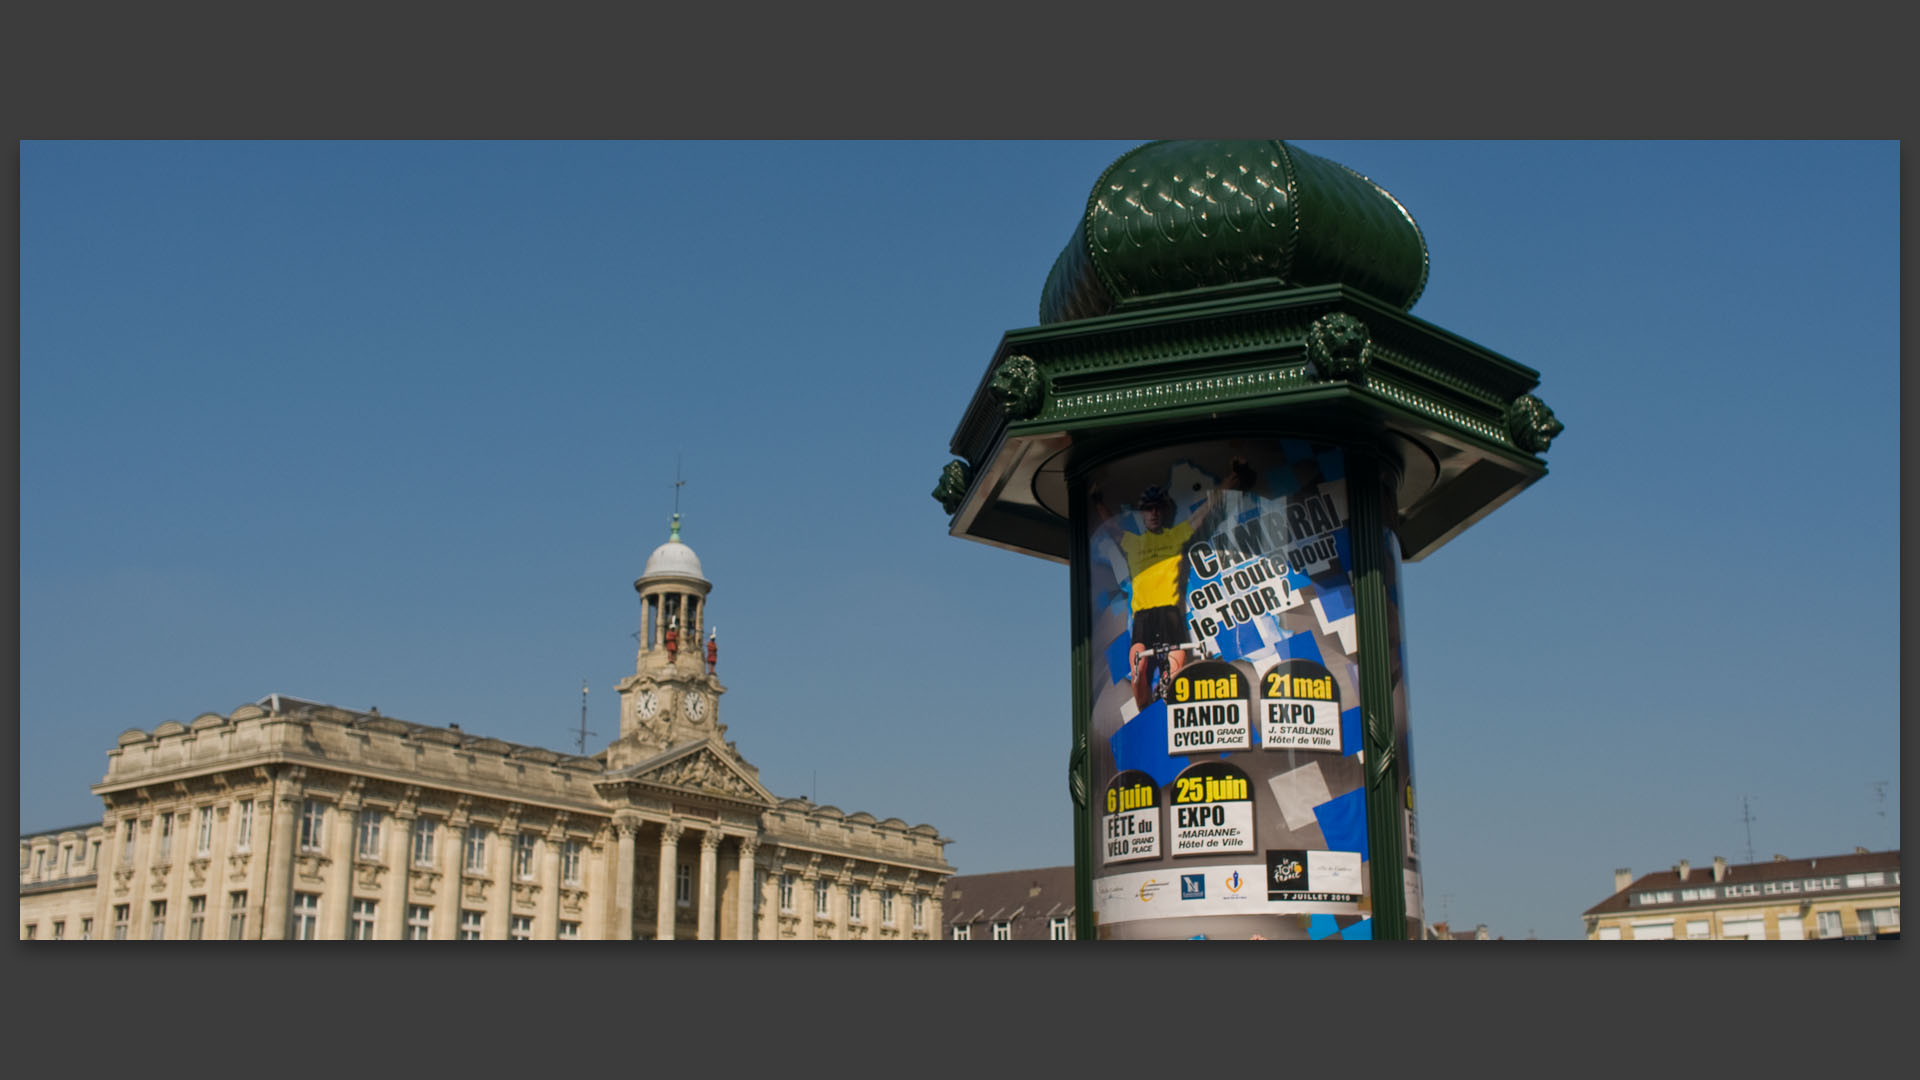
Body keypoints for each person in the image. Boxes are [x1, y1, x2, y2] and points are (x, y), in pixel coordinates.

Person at [1120, 458, 1255, 708]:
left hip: (1169, 611)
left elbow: (1206, 509)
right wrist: (1095, 500)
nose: (1154, 513)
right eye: (1148, 509)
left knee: (1172, 669)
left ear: (1164, 511)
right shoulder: (1132, 542)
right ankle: (1145, 712)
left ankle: (1167, 698)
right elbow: (1108, 530)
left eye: (1158, 508)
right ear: (1143, 513)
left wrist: (1232, 478)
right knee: (1138, 666)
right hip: (1142, 615)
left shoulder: (1176, 535)